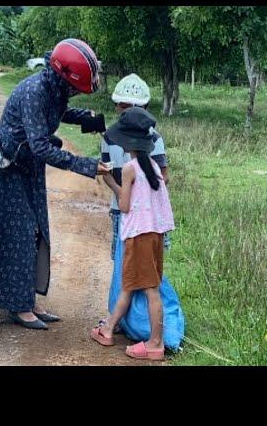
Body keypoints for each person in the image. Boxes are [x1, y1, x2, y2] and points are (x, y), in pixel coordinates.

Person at [0, 38, 111, 330]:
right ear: (63, 77)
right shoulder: (34, 91)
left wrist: (91, 120)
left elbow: (59, 110)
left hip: (30, 168)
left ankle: (27, 298)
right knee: (19, 233)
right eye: (74, 88)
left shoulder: (53, 89)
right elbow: (41, 146)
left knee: (37, 231)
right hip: (11, 167)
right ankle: (16, 306)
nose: (74, 94)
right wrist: (87, 165)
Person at [90, 107, 175, 360]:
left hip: (139, 235)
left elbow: (124, 206)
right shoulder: (154, 168)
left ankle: (155, 344)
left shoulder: (129, 168)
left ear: (127, 142)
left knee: (150, 290)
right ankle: (107, 329)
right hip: (154, 235)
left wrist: (112, 182)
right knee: (129, 284)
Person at [100, 74, 169, 263]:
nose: (127, 112)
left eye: (133, 108)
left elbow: (163, 176)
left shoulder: (154, 139)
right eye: (123, 106)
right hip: (119, 211)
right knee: (123, 263)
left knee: (146, 267)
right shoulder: (109, 137)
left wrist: (135, 197)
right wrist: (121, 192)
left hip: (148, 217)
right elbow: (106, 172)